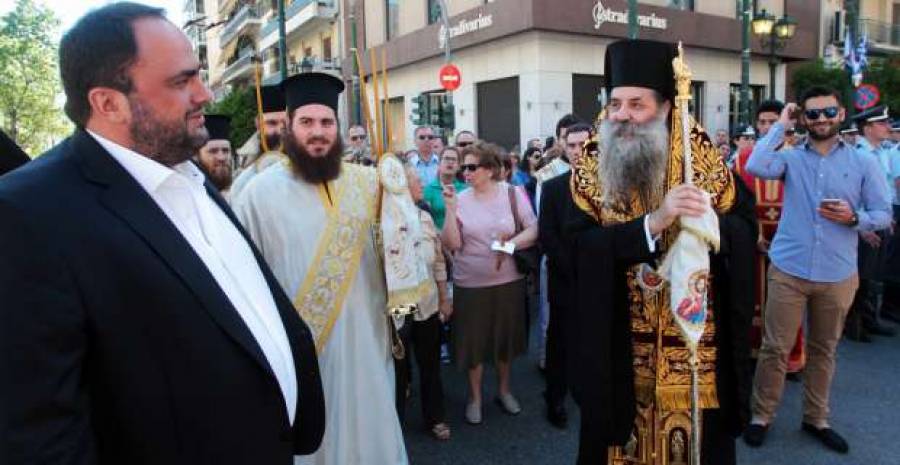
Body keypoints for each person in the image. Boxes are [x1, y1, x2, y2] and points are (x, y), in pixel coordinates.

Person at [0, 4, 325, 463]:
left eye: (199, 76)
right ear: (108, 103)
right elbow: (39, 433)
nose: (205, 94)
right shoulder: (27, 212)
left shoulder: (182, 167)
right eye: (181, 81)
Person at [567, 39, 755, 465]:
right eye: (615, 104)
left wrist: (706, 223)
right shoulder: (590, 169)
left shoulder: (704, 163)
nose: (622, 115)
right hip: (619, 349)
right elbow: (573, 250)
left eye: (637, 104)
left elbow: (745, 231)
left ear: (667, 106)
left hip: (692, 354)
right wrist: (651, 225)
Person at [233, 71, 407, 465]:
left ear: (338, 127)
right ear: (289, 126)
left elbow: (400, 255)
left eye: (327, 122)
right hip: (306, 351)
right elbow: (245, 283)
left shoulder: (369, 183)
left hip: (368, 341)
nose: (318, 132)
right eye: (307, 122)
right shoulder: (258, 194)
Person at [743, 87, 892, 454]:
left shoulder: (864, 162)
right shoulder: (790, 158)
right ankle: (761, 415)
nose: (821, 119)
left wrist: (854, 218)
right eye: (812, 114)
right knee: (775, 349)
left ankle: (816, 418)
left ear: (840, 114)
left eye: (828, 111)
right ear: (803, 119)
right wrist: (781, 125)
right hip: (789, 269)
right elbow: (755, 165)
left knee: (823, 350)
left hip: (837, 273)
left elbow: (883, 214)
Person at [441, 142, 538, 425]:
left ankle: (504, 391)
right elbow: (452, 243)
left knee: (504, 340)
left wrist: (510, 246)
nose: (465, 172)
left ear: (490, 169)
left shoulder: (513, 193)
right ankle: (475, 398)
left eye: (472, 167)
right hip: (469, 284)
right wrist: (450, 210)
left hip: (508, 282)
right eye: (464, 167)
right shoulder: (460, 198)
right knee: (474, 343)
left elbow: (534, 228)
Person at [734, 100, 807, 378]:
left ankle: (790, 357)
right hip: (753, 240)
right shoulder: (743, 159)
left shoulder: (799, 156)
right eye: (762, 122)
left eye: (772, 121)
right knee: (752, 297)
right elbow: (736, 203)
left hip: (789, 240)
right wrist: (753, 236)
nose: (766, 127)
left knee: (788, 301)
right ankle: (752, 352)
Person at [537, 123, 595, 431]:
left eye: (582, 144)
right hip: (565, 280)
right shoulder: (553, 187)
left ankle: (591, 392)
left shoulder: (611, 185)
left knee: (595, 341)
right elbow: (547, 235)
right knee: (560, 343)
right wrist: (572, 268)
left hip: (599, 281)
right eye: (571, 145)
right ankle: (555, 399)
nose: (576, 151)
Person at [395, 165, 453, 441]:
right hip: (399, 305)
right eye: (416, 181)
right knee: (397, 366)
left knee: (430, 364)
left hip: (428, 303)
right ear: (403, 186)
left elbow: (438, 261)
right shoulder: (384, 221)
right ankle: (394, 422)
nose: (421, 185)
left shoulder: (425, 217)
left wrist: (444, 297)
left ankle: (435, 417)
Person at [844, 105, 899, 341]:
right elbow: (851, 193)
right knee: (861, 277)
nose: (888, 127)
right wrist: (863, 227)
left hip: (880, 220)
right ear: (867, 128)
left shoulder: (881, 152)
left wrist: (887, 218)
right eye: (882, 123)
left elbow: (883, 190)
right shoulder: (858, 155)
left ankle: (869, 319)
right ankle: (855, 325)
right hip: (864, 224)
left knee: (874, 275)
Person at [230, 84, 287, 200]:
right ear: (258, 124)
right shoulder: (243, 163)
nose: (280, 131)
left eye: (286, 124)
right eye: (272, 123)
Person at [423, 146, 467, 230]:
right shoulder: (428, 190)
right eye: (446, 158)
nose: (450, 162)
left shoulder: (465, 189)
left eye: (453, 159)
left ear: (458, 166)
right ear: (439, 163)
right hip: (437, 235)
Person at [196, 114, 234, 197]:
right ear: (197, 155)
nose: (221, 157)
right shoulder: (192, 193)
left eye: (225, 151)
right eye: (213, 151)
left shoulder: (238, 192)